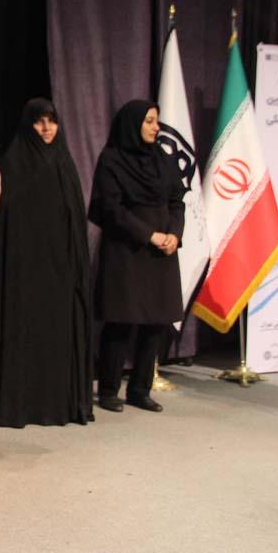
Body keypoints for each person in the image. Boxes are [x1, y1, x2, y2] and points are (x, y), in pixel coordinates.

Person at [0, 98, 94, 427]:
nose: (47, 128)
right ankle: (18, 404)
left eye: (52, 120)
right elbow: (6, 223)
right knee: (23, 335)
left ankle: (58, 403)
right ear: (28, 125)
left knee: (56, 335)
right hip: (22, 273)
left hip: (60, 272)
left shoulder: (64, 162)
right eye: (39, 121)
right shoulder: (13, 164)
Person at [89, 99, 186, 413]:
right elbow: (110, 209)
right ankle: (108, 390)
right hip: (126, 251)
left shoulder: (163, 159)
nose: (156, 127)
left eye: (156, 120)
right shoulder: (112, 159)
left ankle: (140, 390)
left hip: (162, 251)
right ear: (133, 124)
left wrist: (175, 234)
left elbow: (177, 201)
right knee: (121, 320)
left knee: (156, 322)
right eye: (149, 121)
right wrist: (148, 235)